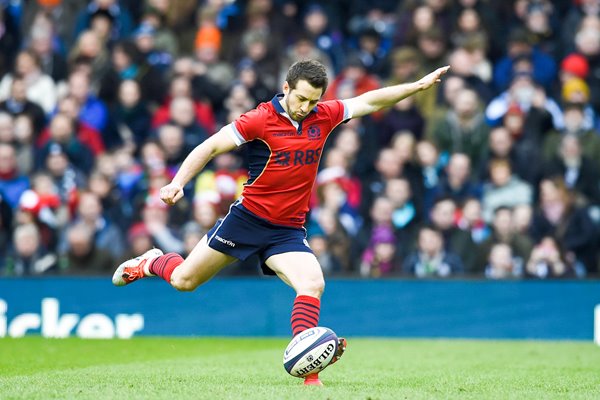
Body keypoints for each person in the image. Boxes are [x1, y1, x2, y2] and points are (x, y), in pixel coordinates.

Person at [112, 59, 449, 386]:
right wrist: (178, 182)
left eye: (313, 100)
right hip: (246, 220)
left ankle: (309, 369)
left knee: (313, 283)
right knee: (185, 280)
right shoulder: (259, 119)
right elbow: (211, 146)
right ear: (286, 88)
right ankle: (152, 261)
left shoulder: (325, 115)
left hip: (287, 230)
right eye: (301, 98)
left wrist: (417, 87)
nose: (306, 106)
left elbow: (368, 100)